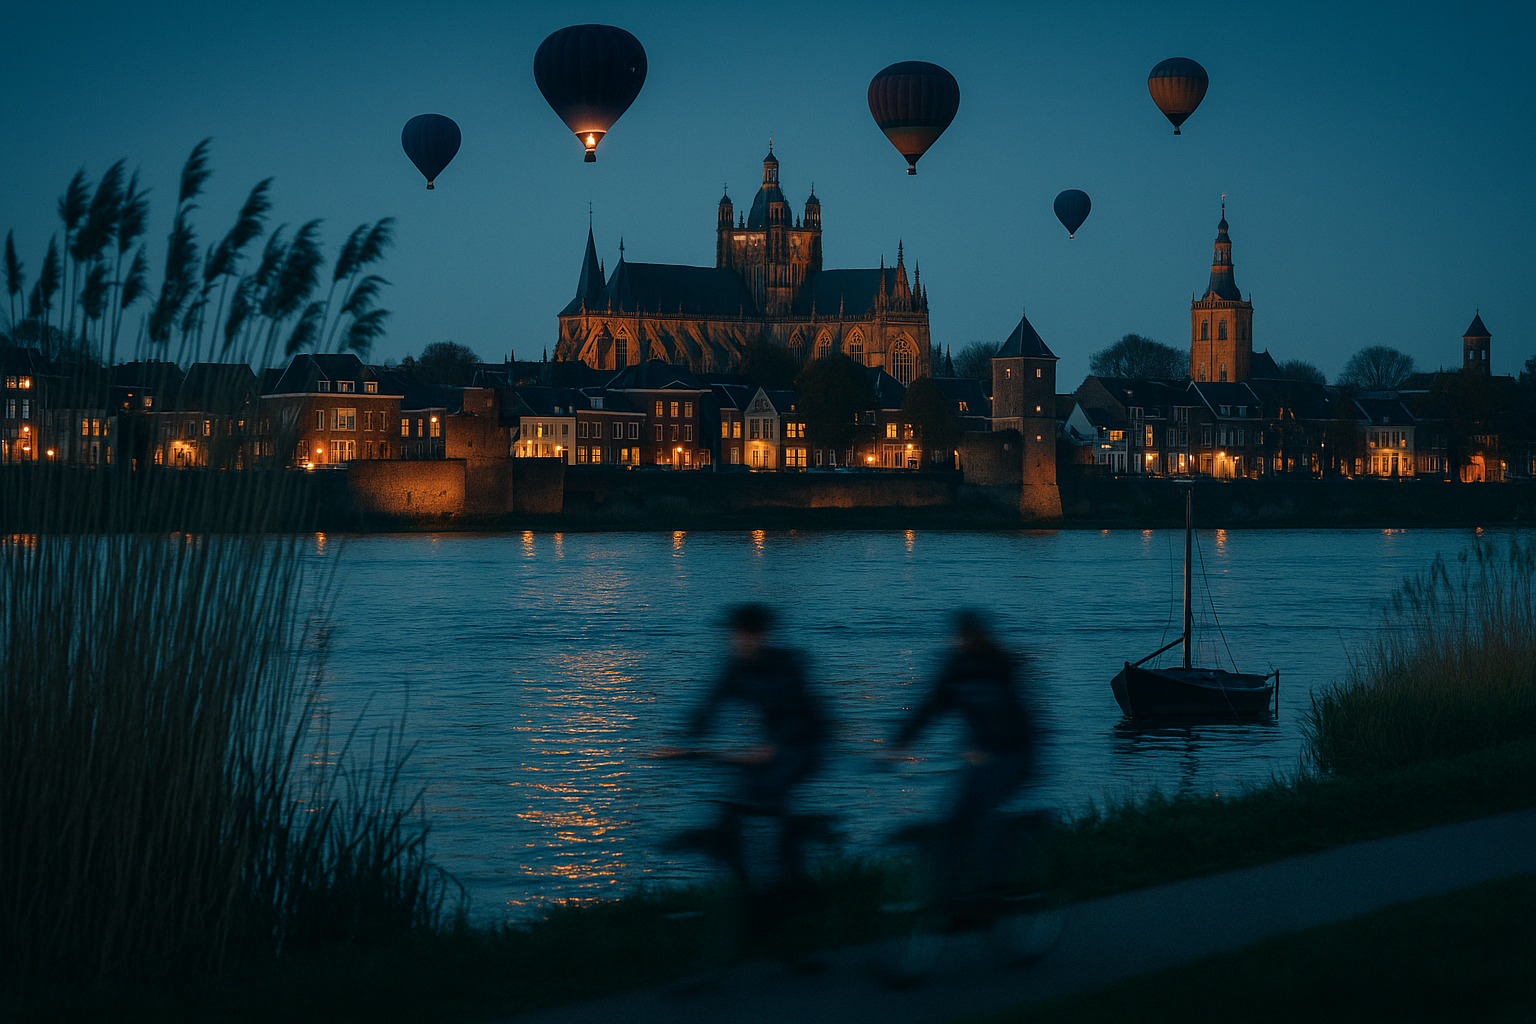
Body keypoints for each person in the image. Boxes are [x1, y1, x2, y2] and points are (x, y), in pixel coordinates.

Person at [890, 609, 1039, 901]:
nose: (963, 642)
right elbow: (929, 708)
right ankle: (952, 896)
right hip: (982, 758)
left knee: (986, 812)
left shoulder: (1001, 665)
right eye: (960, 636)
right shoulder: (956, 669)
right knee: (952, 820)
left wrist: (993, 746)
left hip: (1016, 753)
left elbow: (1017, 715)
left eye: (968, 636)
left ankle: (995, 886)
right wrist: (897, 744)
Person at [678, 602, 829, 888]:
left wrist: (778, 744)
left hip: (806, 746)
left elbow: (803, 712)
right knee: (737, 799)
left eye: (741, 636)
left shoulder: (785, 666)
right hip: (770, 748)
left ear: (758, 636)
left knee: (766, 791)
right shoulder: (735, 668)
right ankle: (747, 880)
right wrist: (686, 738)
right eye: (733, 636)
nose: (734, 642)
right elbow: (710, 703)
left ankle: (792, 880)